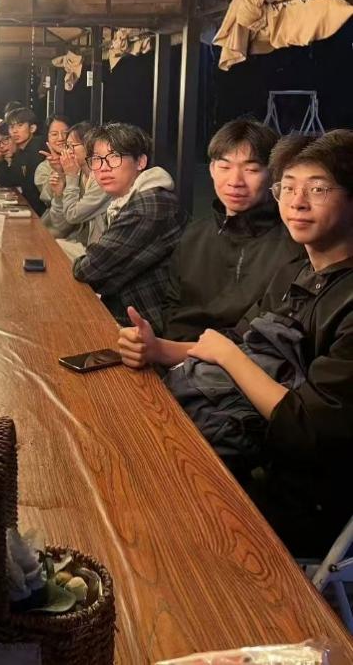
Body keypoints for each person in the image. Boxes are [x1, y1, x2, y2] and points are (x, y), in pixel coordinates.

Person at [119, 130, 353, 557]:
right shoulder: (297, 274)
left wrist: (228, 356)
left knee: (139, 507)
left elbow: (307, 429)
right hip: (246, 452)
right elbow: (234, 342)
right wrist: (158, 349)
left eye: (318, 189)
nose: (297, 202)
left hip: (297, 494)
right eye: (288, 188)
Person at [159, 119, 301, 343]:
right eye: (225, 167)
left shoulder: (294, 244)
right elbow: (172, 304)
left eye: (251, 169)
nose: (235, 181)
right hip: (175, 354)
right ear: (212, 170)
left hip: (244, 360)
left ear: (274, 175)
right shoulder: (195, 234)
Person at [72, 123, 185, 331]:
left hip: (149, 328)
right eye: (96, 159)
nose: (104, 167)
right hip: (127, 314)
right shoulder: (127, 200)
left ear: (141, 161)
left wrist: (97, 268)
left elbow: (88, 270)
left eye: (114, 157)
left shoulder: (147, 205)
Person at [47, 121, 109, 245]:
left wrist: (71, 177)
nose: (67, 151)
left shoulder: (102, 179)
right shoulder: (78, 174)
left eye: (72, 146)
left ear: (89, 146)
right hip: (78, 241)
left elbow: (72, 215)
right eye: (67, 146)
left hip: (97, 248)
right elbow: (60, 225)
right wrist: (59, 196)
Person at [0, 107, 48, 215]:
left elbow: (33, 192)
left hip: (41, 213)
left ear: (32, 128)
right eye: (11, 127)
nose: (15, 131)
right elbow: (8, 181)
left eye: (20, 125)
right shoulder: (21, 151)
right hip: (30, 209)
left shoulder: (38, 149)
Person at [33, 114, 71, 206]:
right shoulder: (43, 168)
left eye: (65, 133)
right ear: (47, 138)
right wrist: (58, 171)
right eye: (54, 134)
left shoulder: (81, 160)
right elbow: (47, 199)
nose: (61, 138)